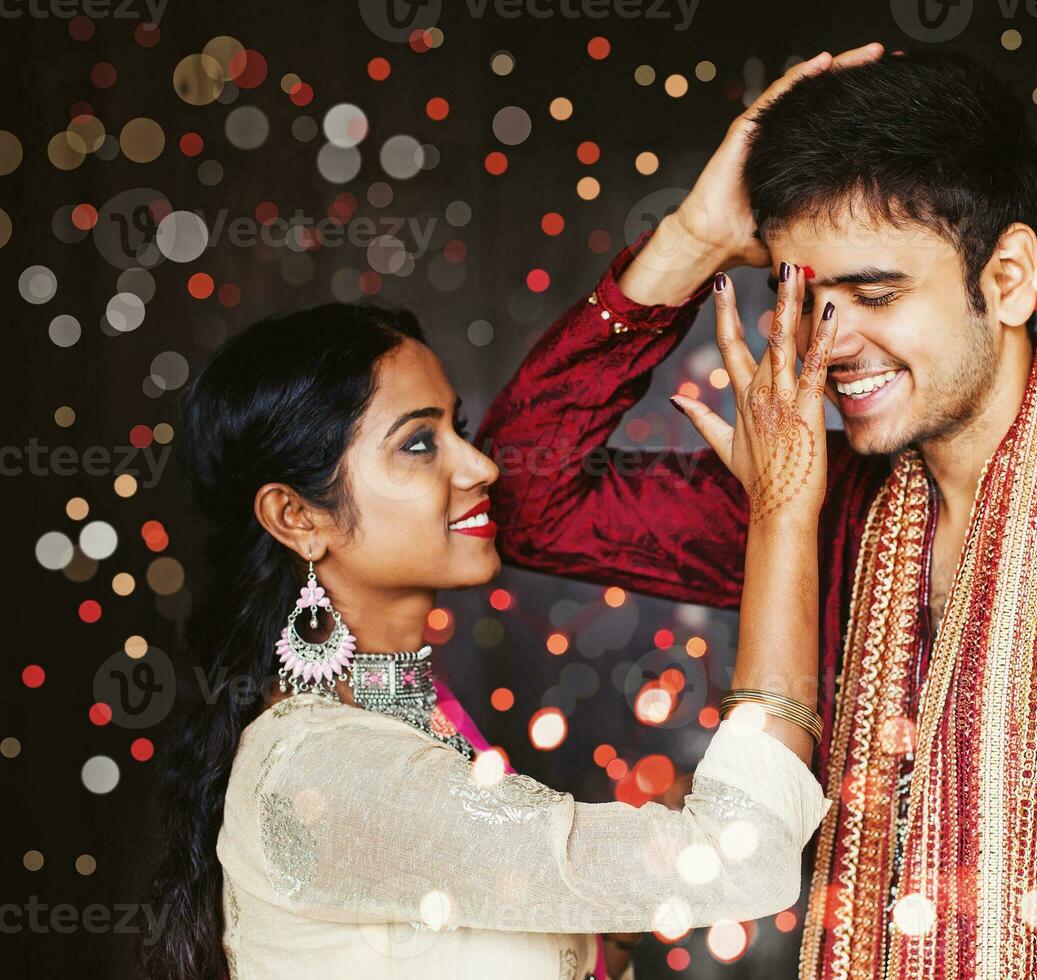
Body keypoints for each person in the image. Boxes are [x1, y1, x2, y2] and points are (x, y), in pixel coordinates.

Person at [478, 47, 1037, 978]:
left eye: (874, 295)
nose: (833, 345)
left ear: (1008, 278)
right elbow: (521, 492)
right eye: (806, 303)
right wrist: (695, 238)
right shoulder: (815, 508)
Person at [140, 292, 840, 978]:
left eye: (457, 429)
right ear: (296, 516)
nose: (480, 467)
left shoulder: (416, 722)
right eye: (419, 444)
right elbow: (740, 855)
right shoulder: (321, 771)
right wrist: (782, 509)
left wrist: (618, 909)